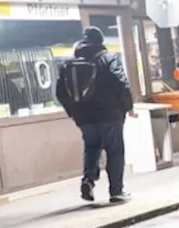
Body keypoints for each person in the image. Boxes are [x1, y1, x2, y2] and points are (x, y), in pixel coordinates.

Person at [56, 26, 135, 203]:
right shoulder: (108, 59)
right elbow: (121, 83)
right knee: (114, 151)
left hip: (85, 118)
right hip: (110, 114)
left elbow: (60, 92)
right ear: (100, 42)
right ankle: (116, 191)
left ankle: (88, 180)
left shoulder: (68, 65)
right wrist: (128, 106)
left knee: (91, 148)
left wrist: (74, 113)